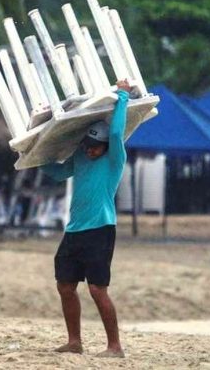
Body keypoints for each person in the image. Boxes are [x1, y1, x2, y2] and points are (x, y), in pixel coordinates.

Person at [39, 80, 132, 358]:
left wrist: (123, 96)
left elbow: (115, 134)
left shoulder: (114, 158)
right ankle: (74, 341)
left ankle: (115, 347)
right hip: (75, 229)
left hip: (101, 229)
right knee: (65, 285)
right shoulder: (81, 157)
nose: (91, 150)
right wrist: (33, 155)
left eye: (96, 147)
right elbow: (57, 173)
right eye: (88, 145)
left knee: (97, 289)